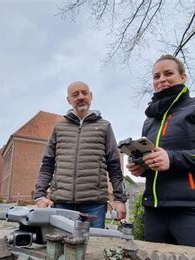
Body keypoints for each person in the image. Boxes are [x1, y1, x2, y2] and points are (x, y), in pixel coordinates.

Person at [127, 55, 195, 250]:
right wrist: (141, 167)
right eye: (156, 76)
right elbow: (156, 160)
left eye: (168, 73)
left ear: (183, 76)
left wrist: (173, 158)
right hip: (155, 211)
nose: (161, 79)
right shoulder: (149, 121)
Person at [33, 81, 127, 228]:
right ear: (69, 100)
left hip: (94, 205)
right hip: (62, 204)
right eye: (75, 94)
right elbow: (47, 164)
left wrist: (120, 200)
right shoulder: (59, 128)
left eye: (84, 93)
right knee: (59, 247)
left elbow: (114, 165)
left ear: (91, 96)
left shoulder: (104, 126)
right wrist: (39, 194)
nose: (81, 97)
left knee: (94, 248)